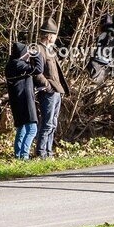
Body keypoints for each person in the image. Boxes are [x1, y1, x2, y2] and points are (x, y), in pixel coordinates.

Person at [34, 19, 70, 160]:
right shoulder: (38, 49)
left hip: (57, 91)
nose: (55, 38)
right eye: (54, 35)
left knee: (53, 123)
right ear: (49, 36)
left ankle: (48, 152)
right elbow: (37, 72)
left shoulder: (51, 50)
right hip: (48, 91)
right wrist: (47, 86)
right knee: (47, 123)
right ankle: (41, 152)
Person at [5, 43, 43, 160]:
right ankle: (24, 155)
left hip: (18, 100)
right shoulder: (18, 64)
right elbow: (38, 69)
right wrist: (37, 54)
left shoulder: (12, 64)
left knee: (22, 127)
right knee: (32, 128)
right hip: (24, 101)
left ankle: (19, 156)